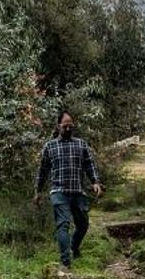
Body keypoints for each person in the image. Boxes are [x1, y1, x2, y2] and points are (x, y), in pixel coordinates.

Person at [33, 111, 102, 269]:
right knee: (63, 225)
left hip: (78, 191)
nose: (69, 127)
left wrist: (95, 182)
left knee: (83, 225)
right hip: (59, 192)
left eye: (71, 124)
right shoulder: (50, 146)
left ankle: (74, 247)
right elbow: (42, 172)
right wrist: (37, 192)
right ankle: (65, 262)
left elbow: (89, 165)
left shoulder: (81, 144)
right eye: (65, 125)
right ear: (59, 126)